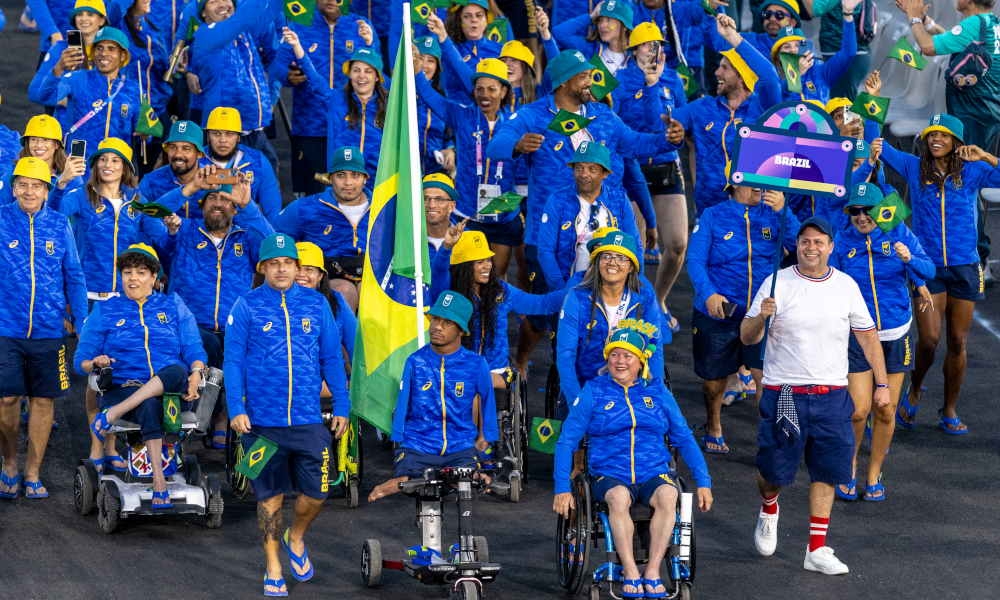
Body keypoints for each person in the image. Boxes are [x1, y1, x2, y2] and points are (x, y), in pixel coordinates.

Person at [741, 216, 887, 574]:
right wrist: (761, 316)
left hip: (831, 394)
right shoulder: (776, 283)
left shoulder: (847, 286)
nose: (811, 248)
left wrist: (882, 384)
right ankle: (769, 506)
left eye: (819, 242)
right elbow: (746, 337)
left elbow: (868, 337)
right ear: (797, 246)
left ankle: (816, 550)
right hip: (784, 393)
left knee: (827, 471)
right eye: (805, 241)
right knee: (772, 471)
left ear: (831, 247)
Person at [224, 233, 351, 596]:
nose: (282, 269)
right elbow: (232, 360)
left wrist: (341, 404)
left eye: (289, 263)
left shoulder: (316, 304)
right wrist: (236, 407)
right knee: (269, 497)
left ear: (298, 267)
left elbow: (331, 357)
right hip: (261, 423)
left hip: (309, 419)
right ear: (263, 267)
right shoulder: (245, 306)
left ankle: (295, 538)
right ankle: (273, 565)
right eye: (274, 263)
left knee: (319, 492)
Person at [554, 328, 712, 598]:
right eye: (614, 354)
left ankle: (652, 571)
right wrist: (561, 488)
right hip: (610, 473)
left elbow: (684, 438)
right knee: (617, 498)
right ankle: (630, 571)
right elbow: (566, 441)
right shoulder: (594, 391)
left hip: (653, 472)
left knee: (669, 494)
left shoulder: (658, 392)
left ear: (641, 362)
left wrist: (703, 481)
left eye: (628, 355)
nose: (620, 361)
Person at [874, 114, 1000, 435]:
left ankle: (948, 410)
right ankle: (914, 391)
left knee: (958, 341)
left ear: (956, 141)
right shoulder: (914, 167)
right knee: (929, 340)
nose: (935, 140)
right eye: (931, 135)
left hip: (965, 267)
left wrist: (986, 156)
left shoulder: (973, 170)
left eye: (942, 135)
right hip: (926, 267)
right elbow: (880, 146)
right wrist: (872, 112)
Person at [50, 138, 168, 470]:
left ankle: (113, 443)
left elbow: (158, 234)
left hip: (130, 299)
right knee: (95, 375)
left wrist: (171, 225)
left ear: (127, 168)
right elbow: (57, 216)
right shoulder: (81, 196)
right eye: (103, 159)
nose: (107, 165)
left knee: (121, 371)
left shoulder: (137, 200)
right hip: (92, 296)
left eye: (116, 160)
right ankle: (97, 445)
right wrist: (59, 185)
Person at [79, 244, 207, 507]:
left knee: (177, 370)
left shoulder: (173, 304)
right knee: (148, 403)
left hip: (173, 393)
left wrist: (196, 372)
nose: (133, 278)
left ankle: (112, 415)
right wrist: (96, 361)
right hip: (123, 386)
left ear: (154, 277)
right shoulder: (105, 310)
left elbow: (195, 348)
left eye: (140, 272)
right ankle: (159, 482)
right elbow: (80, 361)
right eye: (127, 272)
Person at [829, 184, 935, 501]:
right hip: (859, 338)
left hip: (895, 335)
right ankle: (847, 469)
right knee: (859, 411)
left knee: (885, 410)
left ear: (881, 210)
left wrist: (911, 262)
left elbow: (928, 269)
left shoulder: (898, 232)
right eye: (854, 210)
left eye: (868, 210)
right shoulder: (842, 241)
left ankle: (873, 473)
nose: (861, 216)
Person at [156, 168, 275, 446]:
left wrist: (249, 206)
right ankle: (219, 414)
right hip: (189, 326)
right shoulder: (182, 230)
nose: (218, 203)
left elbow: (274, 247)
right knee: (210, 343)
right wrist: (188, 187)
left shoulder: (246, 236)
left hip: (236, 325)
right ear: (201, 203)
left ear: (234, 206)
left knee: (250, 345)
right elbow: (150, 213)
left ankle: (226, 415)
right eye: (211, 198)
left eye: (225, 198)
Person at [686, 173, 798, 453]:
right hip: (719, 314)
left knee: (768, 383)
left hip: (761, 317)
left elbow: (803, 246)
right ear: (734, 183)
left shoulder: (775, 213)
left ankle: (768, 442)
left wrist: (784, 210)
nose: (762, 186)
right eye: (754, 180)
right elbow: (695, 260)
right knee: (713, 384)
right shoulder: (712, 216)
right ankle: (713, 424)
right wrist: (708, 294)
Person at [0, 158, 88, 499]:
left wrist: (81, 323)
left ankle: (33, 472)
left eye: (37, 185)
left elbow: (75, 276)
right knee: (7, 398)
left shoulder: (58, 223)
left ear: (47, 190)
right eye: (22, 184)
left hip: (49, 330)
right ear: (13, 187)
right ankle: (9, 464)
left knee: (43, 399)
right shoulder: (2, 219)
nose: (29, 191)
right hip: (6, 328)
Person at [898, 0, 1000, 283]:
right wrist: (928, 22)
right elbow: (959, 45)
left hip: (972, 115)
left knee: (967, 182)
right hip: (984, 113)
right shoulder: (987, 22)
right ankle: (974, 256)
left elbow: (928, 48)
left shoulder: (972, 24)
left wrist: (914, 19)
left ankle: (979, 258)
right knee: (965, 182)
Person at [368, 291, 498, 503]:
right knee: (406, 480)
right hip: (418, 444)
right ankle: (396, 482)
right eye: (435, 319)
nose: (437, 326)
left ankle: (474, 474)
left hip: (460, 445)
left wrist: (487, 435)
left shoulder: (476, 364)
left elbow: (487, 399)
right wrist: (398, 435)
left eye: (447, 322)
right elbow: (402, 403)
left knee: (468, 479)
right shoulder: (415, 361)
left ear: (462, 331)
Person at [412, 48, 521, 278]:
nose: (485, 94)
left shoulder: (517, 122)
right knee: (466, 277)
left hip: (503, 216)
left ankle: (494, 315)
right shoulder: (462, 115)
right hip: (467, 215)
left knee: (497, 276)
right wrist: (417, 71)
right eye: (479, 88)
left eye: (492, 89)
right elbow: (431, 97)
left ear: (504, 91)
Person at [612, 22, 689, 332]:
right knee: (637, 246)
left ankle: (657, 300)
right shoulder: (620, 81)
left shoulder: (675, 79)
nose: (653, 49)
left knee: (679, 244)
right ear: (633, 50)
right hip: (634, 167)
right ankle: (635, 307)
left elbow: (681, 123)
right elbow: (615, 125)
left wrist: (679, 128)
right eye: (647, 44)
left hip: (668, 165)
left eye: (658, 44)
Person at [672, 13, 782, 217]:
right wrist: (653, 86)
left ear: (741, 77)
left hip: (755, 215)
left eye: (725, 68)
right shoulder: (703, 107)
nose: (717, 73)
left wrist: (733, 37)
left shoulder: (763, 108)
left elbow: (769, 75)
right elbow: (664, 121)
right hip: (710, 216)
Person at [432, 226, 567, 391]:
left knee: (481, 383)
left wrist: (580, 289)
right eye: (479, 261)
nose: (487, 266)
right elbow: (439, 272)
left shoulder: (501, 290)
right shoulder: (448, 293)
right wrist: (446, 248)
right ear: (464, 266)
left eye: (488, 260)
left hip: (497, 371)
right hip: (456, 368)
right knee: (469, 383)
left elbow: (544, 303)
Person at [275, 0, 378, 196]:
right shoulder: (299, 23)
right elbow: (277, 66)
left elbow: (376, 69)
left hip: (349, 129)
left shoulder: (361, 26)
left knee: (352, 194)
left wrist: (370, 44)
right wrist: (287, 76)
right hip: (309, 127)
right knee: (311, 195)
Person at [556, 231, 663, 419]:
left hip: (631, 393)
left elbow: (655, 353)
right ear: (597, 262)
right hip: (584, 389)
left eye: (621, 258)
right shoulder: (576, 298)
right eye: (607, 256)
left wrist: (653, 396)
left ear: (631, 267)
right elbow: (565, 356)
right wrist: (577, 403)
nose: (612, 263)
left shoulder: (646, 300)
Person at [536, 142, 643, 293]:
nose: (584, 174)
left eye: (592, 169)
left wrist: (635, 285)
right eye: (579, 168)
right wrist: (561, 292)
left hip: (613, 289)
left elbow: (634, 246)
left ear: (605, 173)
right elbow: (545, 251)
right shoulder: (557, 200)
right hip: (569, 285)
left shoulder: (620, 200)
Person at [275, 146, 371, 312]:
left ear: (365, 179)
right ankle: (341, 339)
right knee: (343, 293)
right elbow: (274, 240)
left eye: (355, 175)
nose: (348, 182)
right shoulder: (306, 207)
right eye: (341, 175)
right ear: (330, 178)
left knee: (370, 294)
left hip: (373, 273)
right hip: (328, 275)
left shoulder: (383, 207)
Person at [189, 0, 279, 172]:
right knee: (229, 195)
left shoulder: (246, 32)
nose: (222, 4)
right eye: (214, 1)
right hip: (225, 136)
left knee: (268, 192)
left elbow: (274, 6)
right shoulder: (205, 35)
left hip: (256, 132)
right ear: (203, 13)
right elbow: (255, 8)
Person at [31, 27, 142, 160]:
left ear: (123, 55)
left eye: (111, 49)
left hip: (115, 169)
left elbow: (143, 130)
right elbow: (46, 95)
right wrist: (58, 68)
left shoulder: (134, 90)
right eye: (99, 48)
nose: (103, 53)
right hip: (80, 167)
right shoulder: (77, 78)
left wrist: (146, 134)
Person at [200, 107, 282, 225]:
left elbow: (273, 212)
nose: (223, 140)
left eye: (230, 134)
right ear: (208, 136)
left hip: (246, 236)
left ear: (239, 137)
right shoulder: (196, 161)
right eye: (216, 133)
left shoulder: (258, 162)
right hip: (202, 235)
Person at [768, 6, 859, 104]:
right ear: (779, 56)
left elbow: (849, 52)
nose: (793, 50)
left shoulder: (822, 73)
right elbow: (775, 101)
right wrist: (796, 74)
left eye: (798, 45)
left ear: (807, 49)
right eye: (786, 47)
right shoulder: (772, 79)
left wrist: (848, 13)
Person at [326, 47, 389, 183]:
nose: (361, 75)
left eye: (368, 71)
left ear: (377, 76)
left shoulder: (390, 105)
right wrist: (298, 50)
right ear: (350, 74)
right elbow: (314, 80)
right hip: (343, 186)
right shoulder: (336, 99)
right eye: (356, 70)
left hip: (378, 186)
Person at [293, 242, 357, 375]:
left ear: (320, 276)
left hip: (332, 380)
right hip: (293, 384)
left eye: (310, 269)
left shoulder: (336, 301)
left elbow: (356, 349)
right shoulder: (272, 303)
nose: (301, 274)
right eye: (297, 268)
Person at [0, 115, 85, 206]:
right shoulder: (13, 171)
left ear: (56, 144)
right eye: (33, 139)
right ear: (27, 143)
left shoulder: (71, 175)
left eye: (46, 140)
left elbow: (80, 211)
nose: (39, 145)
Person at [137, 120, 206, 219]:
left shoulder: (212, 181)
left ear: (199, 153)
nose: (178, 154)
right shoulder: (150, 182)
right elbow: (135, 221)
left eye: (186, 148)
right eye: (173, 147)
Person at [440, 0, 505, 99]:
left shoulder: (502, 50)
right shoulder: (446, 49)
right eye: (467, 16)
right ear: (459, 20)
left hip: (492, 112)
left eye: (479, 15)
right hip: (456, 111)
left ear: (487, 20)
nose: (474, 20)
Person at [810, 0, 874, 101]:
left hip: (847, 55)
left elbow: (814, 10)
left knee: (841, 107)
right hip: (851, 54)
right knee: (843, 105)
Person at [552, 0, 634, 76]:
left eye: (609, 20)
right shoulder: (589, 49)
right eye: (600, 20)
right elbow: (559, 33)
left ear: (625, 26)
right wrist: (591, 17)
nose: (602, 25)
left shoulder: (636, 55)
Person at [412, 37, 454, 177]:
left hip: (434, 173)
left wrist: (450, 149)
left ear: (437, 67)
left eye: (431, 60)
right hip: (403, 176)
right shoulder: (395, 92)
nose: (424, 65)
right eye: (420, 58)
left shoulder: (442, 96)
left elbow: (448, 134)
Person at [423, 173, 458, 262]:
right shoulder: (406, 238)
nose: (431, 205)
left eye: (439, 199)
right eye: (425, 199)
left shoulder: (467, 238)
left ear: (451, 206)